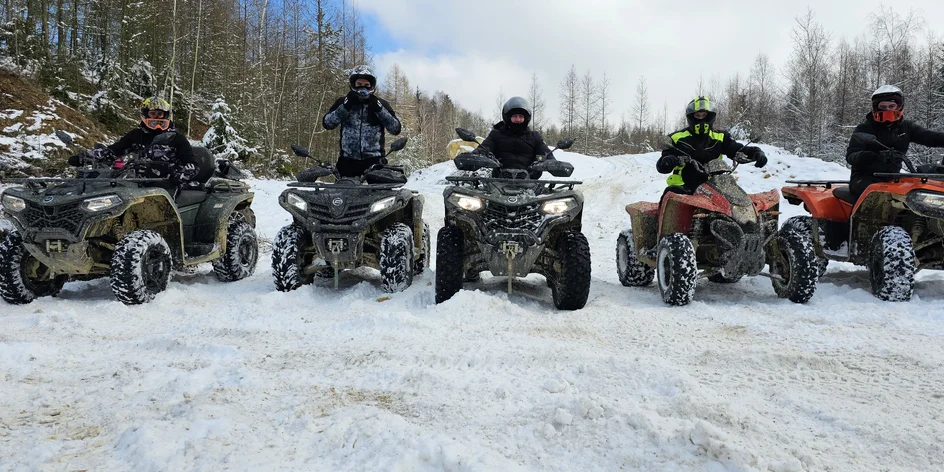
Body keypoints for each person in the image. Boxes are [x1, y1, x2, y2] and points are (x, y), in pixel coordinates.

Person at [69, 97, 198, 187]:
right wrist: (85, 157)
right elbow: (112, 152)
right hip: (135, 184)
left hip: (167, 186)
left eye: (160, 114)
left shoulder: (176, 138)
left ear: (166, 116)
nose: (157, 118)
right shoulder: (136, 135)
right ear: (145, 115)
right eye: (153, 114)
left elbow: (193, 165)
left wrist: (178, 177)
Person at [846, 85, 944, 200]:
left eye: (891, 106)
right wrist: (870, 156)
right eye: (882, 107)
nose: (887, 110)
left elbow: (931, 137)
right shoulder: (865, 128)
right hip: (864, 178)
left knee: (918, 195)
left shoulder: (906, 127)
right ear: (876, 108)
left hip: (894, 178)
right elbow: (851, 155)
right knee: (882, 197)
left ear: (899, 106)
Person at [656, 96, 767, 195]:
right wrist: (668, 160)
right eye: (697, 115)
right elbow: (661, 165)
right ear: (691, 117)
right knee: (670, 197)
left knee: (737, 200)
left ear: (710, 116)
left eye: (704, 115)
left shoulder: (720, 137)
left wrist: (755, 152)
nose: (701, 119)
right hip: (683, 187)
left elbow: (737, 149)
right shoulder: (676, 138)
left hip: (716, 186)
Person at [313, 65, 402, 179]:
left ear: (372, 86)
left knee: (382, 194)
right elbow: (327, 123)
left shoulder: (381, 104)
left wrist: (379, 110)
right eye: (359, 85)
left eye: (366, 85)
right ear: (353, 84)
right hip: (348, 160)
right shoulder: (343, 102)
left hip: (375, 160)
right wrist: (345, 107)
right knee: (342, 194)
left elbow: (395, 128)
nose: (362, 88)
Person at [472, 96, 554, 179]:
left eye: (521, 116)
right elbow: (484, 148)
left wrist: (553, 163)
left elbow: (546, 154)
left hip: (530, 183)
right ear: (507, 117)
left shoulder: (534, 137)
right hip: (499, 182)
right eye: (514, 116)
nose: (518, 119)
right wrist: (473, 156)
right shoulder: (496, 135)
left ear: (526, 118)